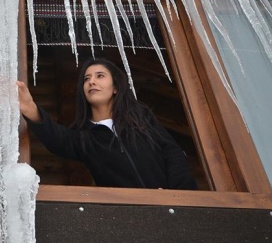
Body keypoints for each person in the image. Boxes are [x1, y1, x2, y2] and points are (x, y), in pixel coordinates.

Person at [17, 58, 197, 190]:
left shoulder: (142, 119)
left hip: (172, 207)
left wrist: (179, 196)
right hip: (127, 218)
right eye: (86, 79)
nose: (91, 81)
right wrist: (30, 108)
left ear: (116, 87)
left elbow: (172, 153)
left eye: (99, 76)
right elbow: (57, 138)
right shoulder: (85, 138)